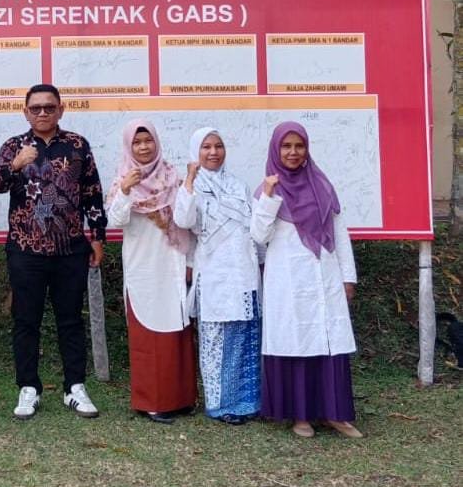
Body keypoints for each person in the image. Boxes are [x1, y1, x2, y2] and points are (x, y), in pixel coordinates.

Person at [0, 84, 106, 420]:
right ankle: (28, 387)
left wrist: (97, 237)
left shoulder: (77, 145)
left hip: (70, 248)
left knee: (70, 320)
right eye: (36, 108)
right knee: (26, 320)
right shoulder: (14, 146)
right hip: (26, 249)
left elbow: (92, 192)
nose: (43, 113)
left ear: (61, 110)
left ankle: (75, 387)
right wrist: (15, 165)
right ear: (25, 112)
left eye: (49, 107)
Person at [250, 121, 362, 439]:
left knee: (330, 344)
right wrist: (269, 196)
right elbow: (258, 235)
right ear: (276, 150)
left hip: (324, 276)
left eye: (299, 146)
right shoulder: (267, 190)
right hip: (288, 281)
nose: (293, 152)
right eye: (286, 146)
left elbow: (340, 234)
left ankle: (336, 415)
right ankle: (301, 417)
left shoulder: (322, 186)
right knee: (297, 343)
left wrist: (347, 277)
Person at [107, 119, 196, 424]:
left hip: (173, 264)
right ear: (129, 146)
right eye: (137, 142)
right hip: (143, 268)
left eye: (148, 141)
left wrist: (190, 262)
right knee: (149, 335)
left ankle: (181, 398)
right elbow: (116, 221)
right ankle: (153, 402)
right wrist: (126, 190)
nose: (144, 147)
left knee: (176, 331)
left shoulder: (172, 177)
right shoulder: (123, 180)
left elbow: (186, 222)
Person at [174, 127, 261, 425]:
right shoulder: (191, 187)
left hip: (244, 271)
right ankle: (220, 405)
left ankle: (248, 403)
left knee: (245, 336)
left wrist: (261, 263)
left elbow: (253, 229)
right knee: (216, 341)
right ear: (196, 151)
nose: (213, 152)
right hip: (214, 274)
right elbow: (183, 220)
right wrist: (189, 180)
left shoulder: (239, 185)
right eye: (206, 147)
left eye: (219, 146)